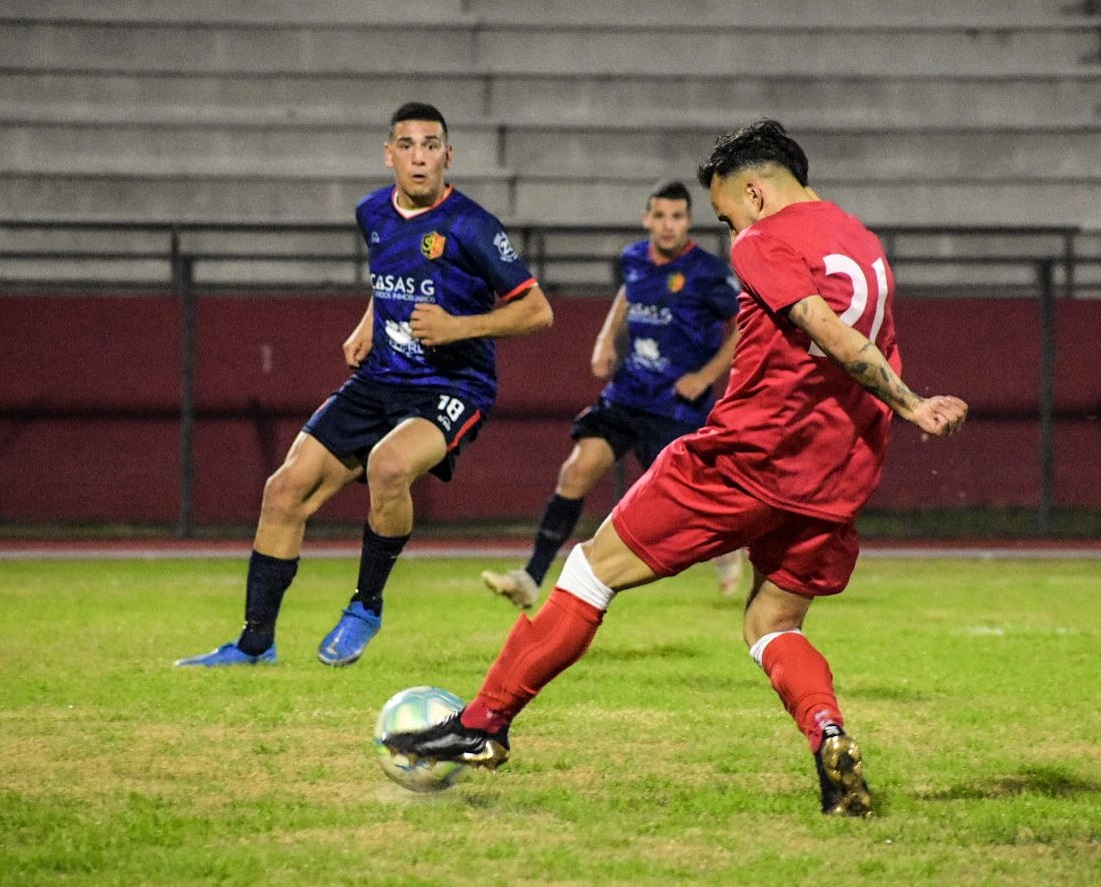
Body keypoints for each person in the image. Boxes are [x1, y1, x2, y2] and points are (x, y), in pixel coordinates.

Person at [383, 119, 968, 817]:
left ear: (753, 192)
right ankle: (828, 734)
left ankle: (483, 724)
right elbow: (862, 343)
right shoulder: (862, 243)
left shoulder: (764, 239)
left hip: (743, 461)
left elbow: (829, 333)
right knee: (773, 624)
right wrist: (902, 404)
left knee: (589, 570)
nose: (729, 232)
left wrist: (910, 403)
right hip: (833, 478)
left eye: (724, 215)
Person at [176, 102, 553, 668]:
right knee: (283, 491)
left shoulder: (471, 226)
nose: (420, 157)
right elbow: (389, 279)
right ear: (389, 154)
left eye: (431, 145)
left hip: (452, 385)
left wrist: (459, 327)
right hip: (382, 379)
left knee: (389, 465)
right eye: (408, 145)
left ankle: (366, 605)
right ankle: (255, 644)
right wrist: (367, 324)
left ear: (449, 156)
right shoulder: (372, 213)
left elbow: (538, 310)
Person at [481, 180, 744, 610]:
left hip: (675, 406)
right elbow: (628, 294)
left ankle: (730, 547)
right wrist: (605, 338)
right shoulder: (633, 258)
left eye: (676, 217)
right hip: (626, 394)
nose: (667, 225)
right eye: (659, 216)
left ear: (688, 222)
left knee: (691, 502)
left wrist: (705, 375)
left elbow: (745, 324)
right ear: (647, 219)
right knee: (576, 471)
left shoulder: (709, 274)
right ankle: (530, 577)